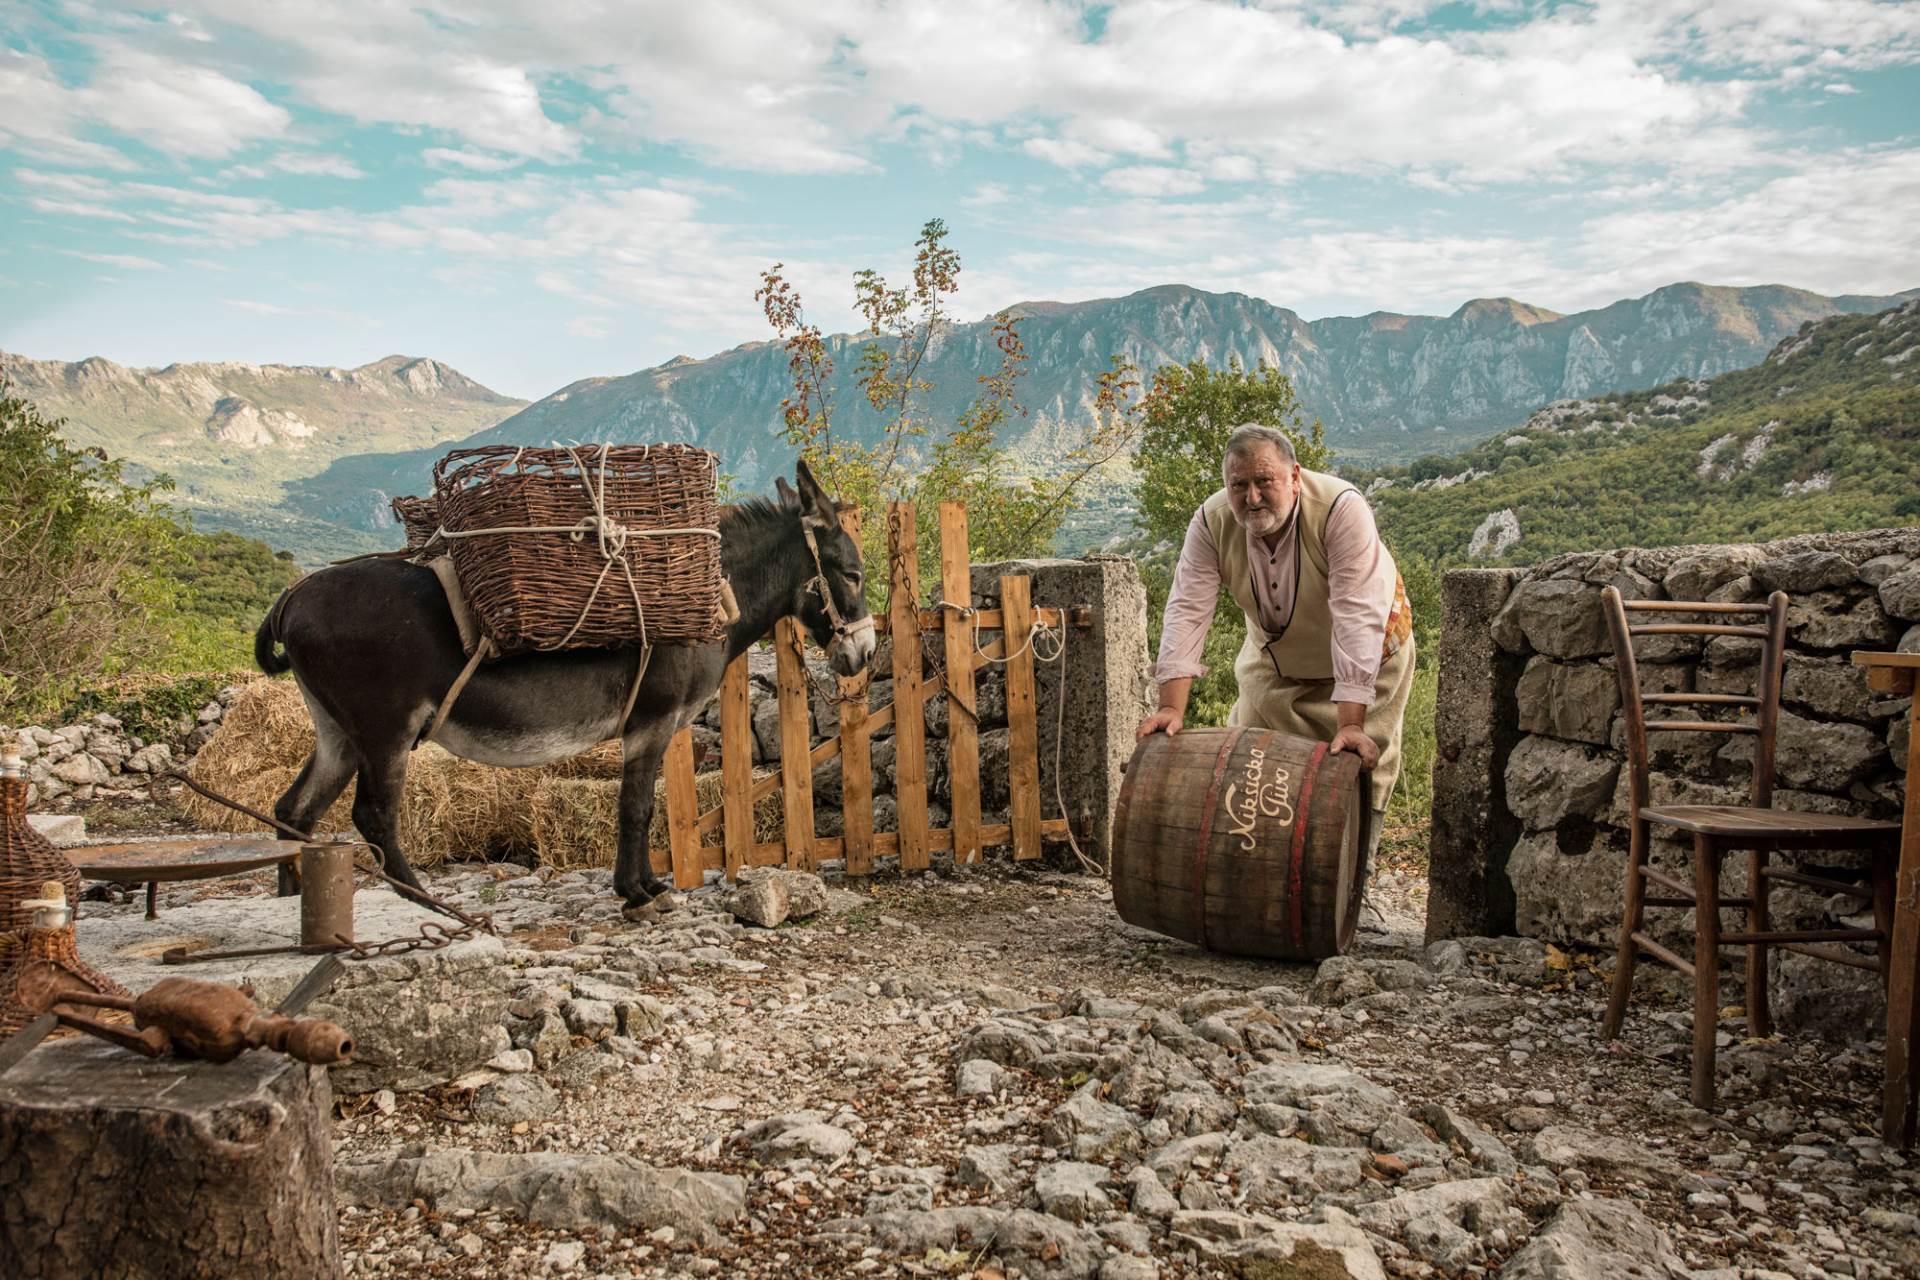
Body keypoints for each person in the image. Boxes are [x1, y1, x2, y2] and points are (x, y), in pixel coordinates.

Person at [1137, 423, 1415, 845]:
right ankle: (1261, 863)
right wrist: (1171, 709)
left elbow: (1356, 619)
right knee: (1248, 762)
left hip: (1367, 664)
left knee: (1356, 773)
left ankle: (1358, 876)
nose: (1251, 497)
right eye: (1239, 485)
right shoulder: (1211, 522)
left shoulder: (1340, 508)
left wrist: (1351, 724)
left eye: (1264, 480)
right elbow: (1186, 610)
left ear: (1295, 477)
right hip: (1276, 663)